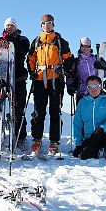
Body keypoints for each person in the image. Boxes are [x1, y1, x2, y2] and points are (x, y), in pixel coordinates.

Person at [27, 14, 74, 155]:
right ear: (41, 26)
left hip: (56, 80)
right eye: (44, 23)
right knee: (38, 111)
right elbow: (30, 58)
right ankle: (37, 139)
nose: (47, 25)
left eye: (49, 23)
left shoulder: (60, 41)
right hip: (40, 80)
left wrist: (64, 70)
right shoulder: (36, 41)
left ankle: (54, 141)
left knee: (55, 111)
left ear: (53, 25)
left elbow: (69, 58)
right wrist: (32, 72)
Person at [0, 18, 30, 148]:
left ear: (16, 27)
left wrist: (12, 41)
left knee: (19, 108)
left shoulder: (23, 39)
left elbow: (23, 51)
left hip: (19, 79)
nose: (9, 27)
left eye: (12, 25)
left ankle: (20, 136)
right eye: (7, 25)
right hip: (2, 78)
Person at [72, 75, 106, 161]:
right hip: (90, 137)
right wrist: (78, 144)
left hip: (105, 135)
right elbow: (77, 124)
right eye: (90, 87)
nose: (93, 89)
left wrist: (102, 128)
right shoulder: (82, 103)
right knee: (85, 157)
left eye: (96, 86)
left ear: (101, 87)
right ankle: (96, 151)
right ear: (87, 88)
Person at [66, 37, 106, 104]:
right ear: (80, 47)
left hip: (96, 92)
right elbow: (70, 75)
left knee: (97, 113)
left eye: (87, 46)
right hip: (82, 93)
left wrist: (105, 67)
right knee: (82, 113)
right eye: (83, 46)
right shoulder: (76, 61)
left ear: (90, 47)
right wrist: (70, 86)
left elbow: (104, 74)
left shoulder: (96, 59)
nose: (85, 48)